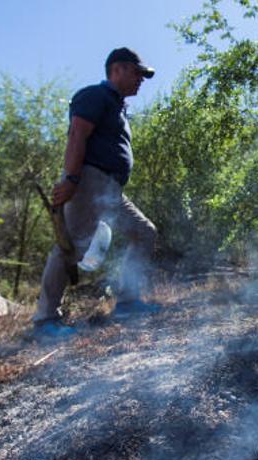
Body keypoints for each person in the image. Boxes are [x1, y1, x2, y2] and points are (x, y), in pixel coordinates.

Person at [33, 47, 159, 337]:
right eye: (137, 72)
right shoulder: (94, 95)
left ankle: (128, 302)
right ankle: (44, 320)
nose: (141, 79)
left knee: (144, 232)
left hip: (111, 189)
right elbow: (77, 134)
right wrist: (72, 178)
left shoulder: (116, 106)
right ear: (117, 69)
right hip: (89, 181)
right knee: (73, 245)